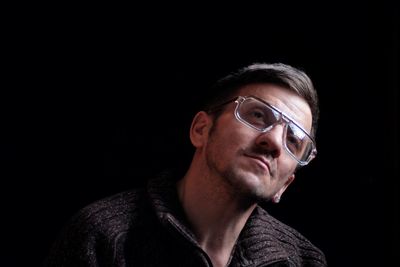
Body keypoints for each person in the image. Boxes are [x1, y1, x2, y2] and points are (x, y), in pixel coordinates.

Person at [43, 63, 327, 267]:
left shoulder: (304, 259)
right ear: (201, 129)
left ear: (285, 185)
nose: (275, 142)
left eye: (294, 140)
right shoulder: (101, 236)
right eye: (257, 115)